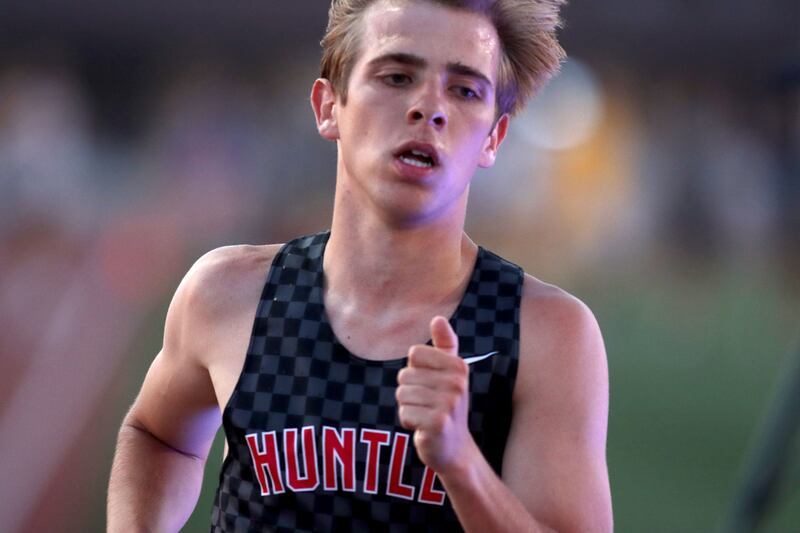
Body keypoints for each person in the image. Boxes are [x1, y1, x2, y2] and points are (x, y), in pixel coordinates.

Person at [107, 0, 613, 531]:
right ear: (329, 107)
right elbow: (158, 436)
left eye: (464, 90)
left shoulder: (544, 335)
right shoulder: (229, 295)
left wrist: (462, 463)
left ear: (493, 137)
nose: (429, 107)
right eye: (396, 76)